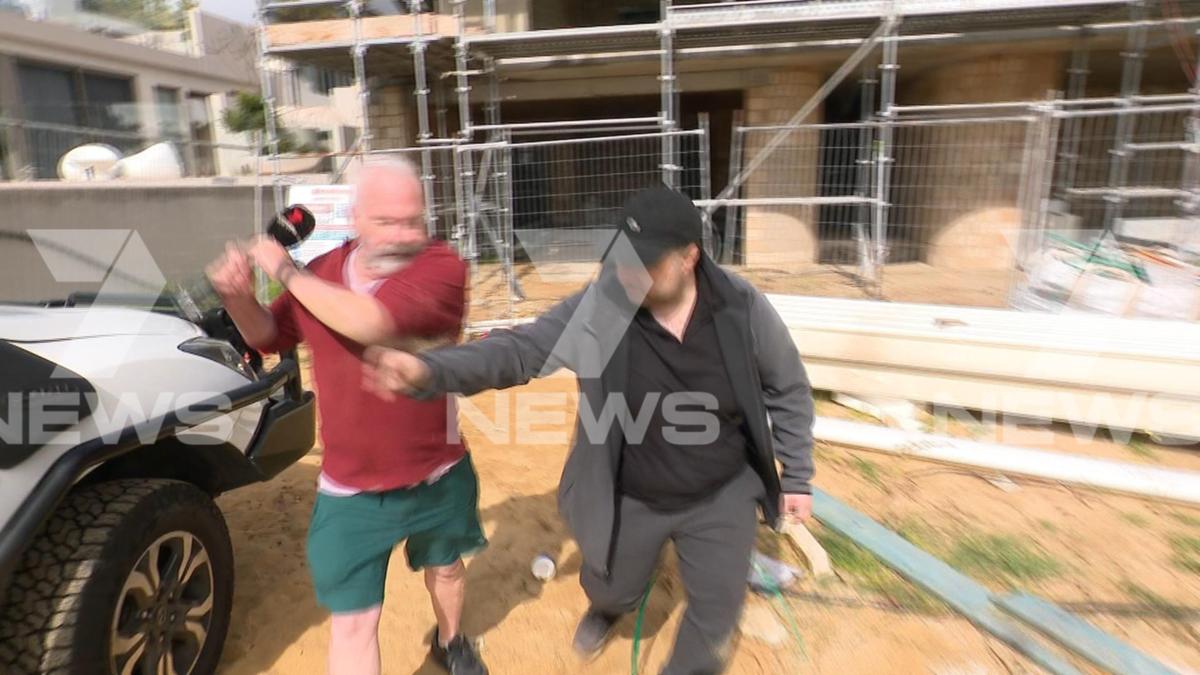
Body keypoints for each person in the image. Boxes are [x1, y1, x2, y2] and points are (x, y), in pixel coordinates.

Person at [363, 185, 815, 675]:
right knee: (612, 586)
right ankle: (608, 607)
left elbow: (787, 386)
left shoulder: (740, 307)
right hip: (630, 493)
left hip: (723, 492)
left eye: (644, 262)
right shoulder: (604, 306)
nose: (626, 271)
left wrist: (797, 474)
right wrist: (433, 371)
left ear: (689, 258)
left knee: (714, 619)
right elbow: (522, 350)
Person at [205, 159, 488, 675]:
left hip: (436, 467)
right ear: (356, 218)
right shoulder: (325, 275)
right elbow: (267, 337)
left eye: (414, 220)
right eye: (387, 221)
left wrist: (285, 268)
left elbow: (370, 322)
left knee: (445, 568)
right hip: (350, 486)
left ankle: (451, 641)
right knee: (354, 623)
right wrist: (237, 296)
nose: (405, 235)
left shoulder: (443, 267)